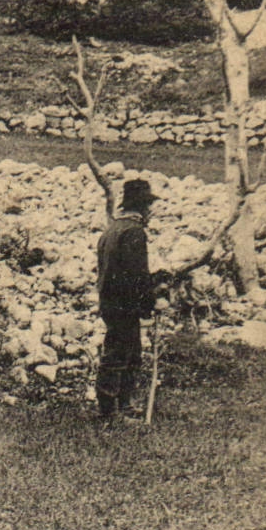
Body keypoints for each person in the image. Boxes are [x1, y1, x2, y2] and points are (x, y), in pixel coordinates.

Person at [95, 178, 160, 420]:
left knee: (127, 352)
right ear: (142, 207)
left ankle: (122, 405)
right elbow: (137, 275)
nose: (150, 211)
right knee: (120, 355)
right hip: (125, 304)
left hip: (110, 301)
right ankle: (110, 410)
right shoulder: (134, 232)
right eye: (148, 206)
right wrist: (149, 302)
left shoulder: (111, 229)